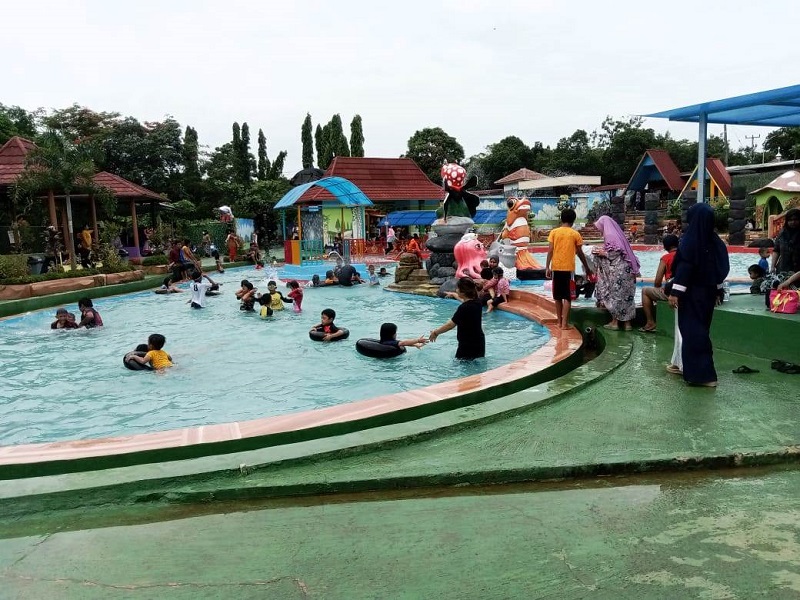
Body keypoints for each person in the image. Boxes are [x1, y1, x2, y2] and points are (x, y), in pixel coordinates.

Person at [667, 202, 730, 387]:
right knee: (702, 330)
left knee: (692, 332)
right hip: (709, 293)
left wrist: (674, 293)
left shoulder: (690, 240)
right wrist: (718, 289)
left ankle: (702, 376)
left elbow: (686, 267)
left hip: (692, 294)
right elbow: (720, 268)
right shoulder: (716, 241)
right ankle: (696, 370)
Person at [545, 208, 593, 331]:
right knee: (568, 297)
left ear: (561, 219)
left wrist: (547, 267)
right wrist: (587, 268)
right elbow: (580, 253)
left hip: (556, 268)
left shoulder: (554, 232)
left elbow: (550, 250)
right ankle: (565, 324)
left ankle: (559, 322)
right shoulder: (575, 234)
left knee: (557, 297)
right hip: (568, 270)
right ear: (573, 220)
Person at [592, 215, 641, 331]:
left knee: (616, 296)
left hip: (618, 272)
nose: (599, 229)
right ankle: (627, 324)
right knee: (627, 296)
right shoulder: (618, 235)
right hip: (627, 270)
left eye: (599, 226)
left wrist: (600, 253)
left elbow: (613, 254)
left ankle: (615, 323)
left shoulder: (609, 235)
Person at [428, 277, 485, 359]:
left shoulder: (463, 308)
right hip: (479, 342)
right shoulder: (477, 302)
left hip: (467, 344)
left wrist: (435, 332)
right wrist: (454, 295)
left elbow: (450, 325)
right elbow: (466, 301)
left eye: (458, 288)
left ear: (463, 291)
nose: (456, 290)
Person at [640, 234, 679, 332]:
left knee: (645, 291)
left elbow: (657, 281)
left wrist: (660, 288)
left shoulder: (666, 258)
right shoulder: (686, 255)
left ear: (665, 246)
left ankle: (650, 322)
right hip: (687, 291)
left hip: (673, 293)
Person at [770, 208, 800, 274]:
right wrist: (772, 267)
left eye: (796, 219)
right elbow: (776, 250)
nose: (793, 222)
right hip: (782, 269)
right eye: (790, 220)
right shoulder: (782, 233)